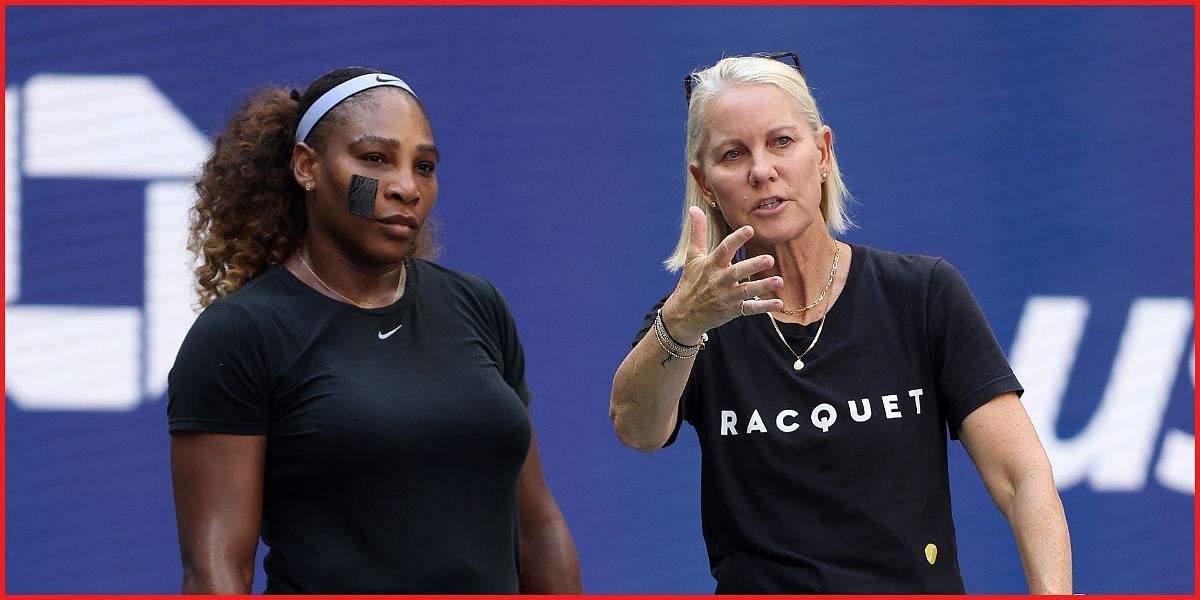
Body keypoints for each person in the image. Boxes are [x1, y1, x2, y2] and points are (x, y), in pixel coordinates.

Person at [609, 53, 1071, 594]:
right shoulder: (693, 317)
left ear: (823, 151)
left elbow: (1022, 476)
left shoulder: (921, 292)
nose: (762, 170)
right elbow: (636, 428)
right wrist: (682, 325)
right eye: (733, 154)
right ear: (705, 184)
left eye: (782, 142)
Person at [168, 66, 581, 594]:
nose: (406, 187)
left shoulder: (476, 305)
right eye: (375, 159)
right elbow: (216, 570)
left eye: (424, 166)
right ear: (307, 167)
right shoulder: (242, 335)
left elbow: (538, 525)